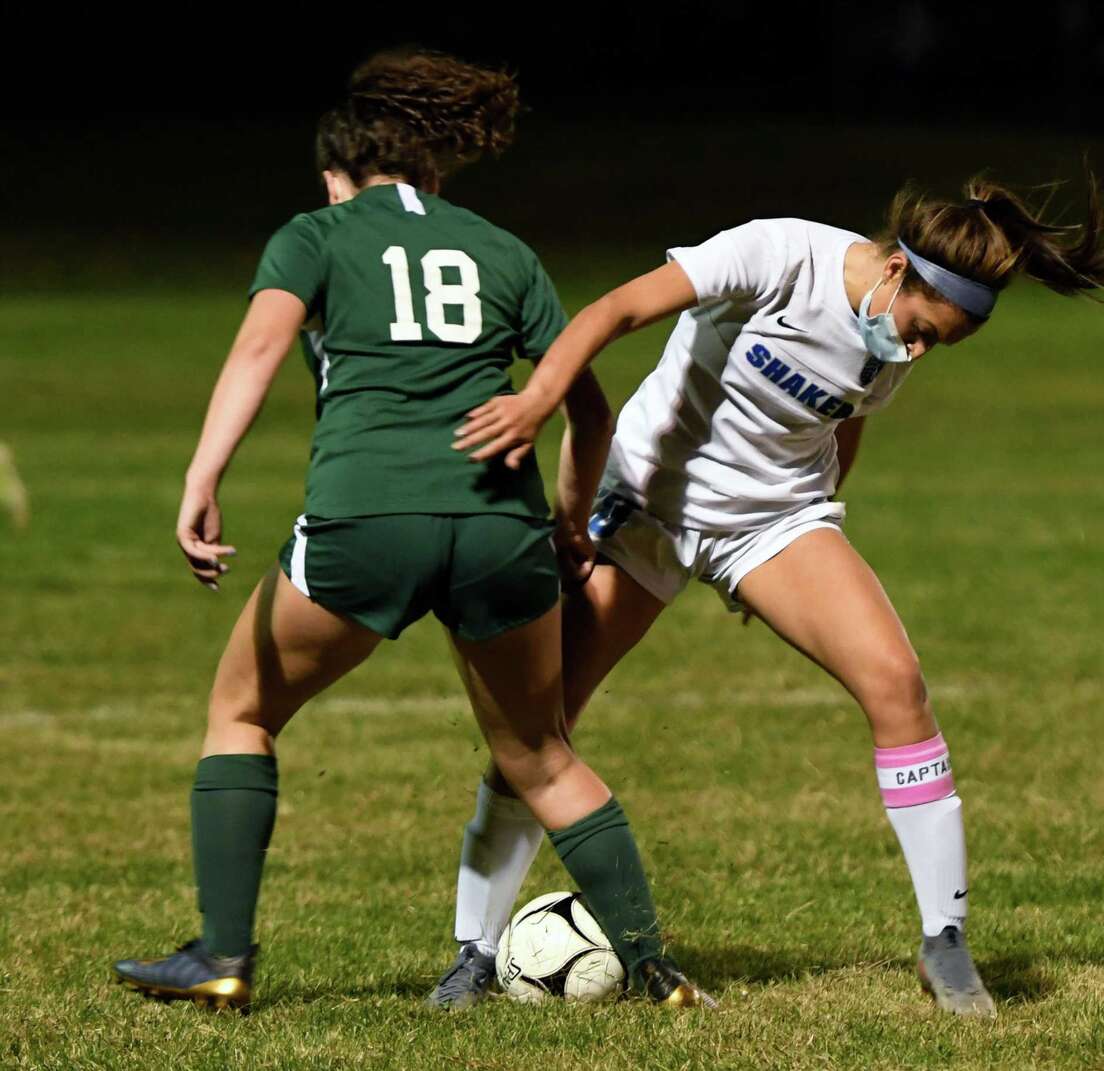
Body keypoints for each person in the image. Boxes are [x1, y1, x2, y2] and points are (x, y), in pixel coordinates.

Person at [431, 173, 1104, 1015]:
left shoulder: (895, 341)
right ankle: (472, 952)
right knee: (539, 723)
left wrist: (812, 551)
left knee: (898, 684)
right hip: (650, 503)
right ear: (898, 271)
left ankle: (945, 943)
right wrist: (540, 401)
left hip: (773, 522)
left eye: (942, 344)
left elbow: (844, 418)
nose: (919, 351)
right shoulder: (781, 253)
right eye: (922, 330)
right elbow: (615, 311)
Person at [112, 49, 712, 1012]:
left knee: (242, 713)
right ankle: (656, 971)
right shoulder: (504, 249)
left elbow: (259, 349)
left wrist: (202, 476)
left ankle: (221, 956)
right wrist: (567, 525)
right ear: (435, 169)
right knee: (540, 754)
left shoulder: (315, 233)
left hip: (366, 519)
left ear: (336, 173)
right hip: (499, 529)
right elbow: (589, 410)